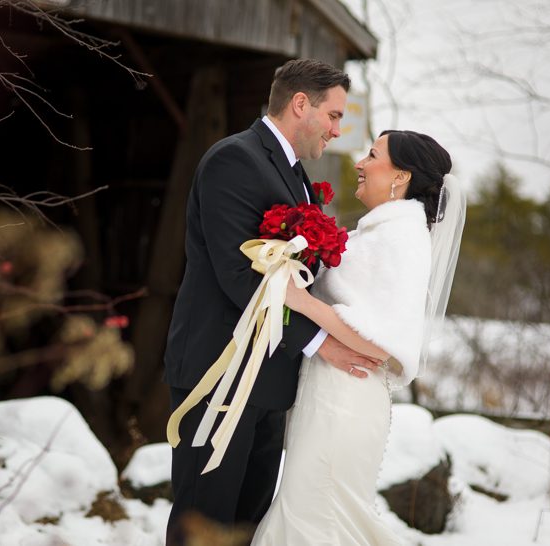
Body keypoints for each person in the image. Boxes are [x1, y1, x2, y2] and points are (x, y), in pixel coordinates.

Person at [163, 59, 383, 544]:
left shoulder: (296, 175)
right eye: (333, 115)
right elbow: (240, 276)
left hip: (269, 381)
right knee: (204, 523)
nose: (336, 130)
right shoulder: (234, 160)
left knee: (247, 528)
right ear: (300, 104)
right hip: (219, 374)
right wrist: (321, 343)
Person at [251, 130, 466, 545]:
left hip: (346, 401)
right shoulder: (378, 233)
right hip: (327, 394)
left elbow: (385, 345)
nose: (360, 164)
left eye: (372, 155)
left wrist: (302, 301)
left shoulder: (403, 239)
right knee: (308, 512)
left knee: (319, 520)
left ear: (400, 176)